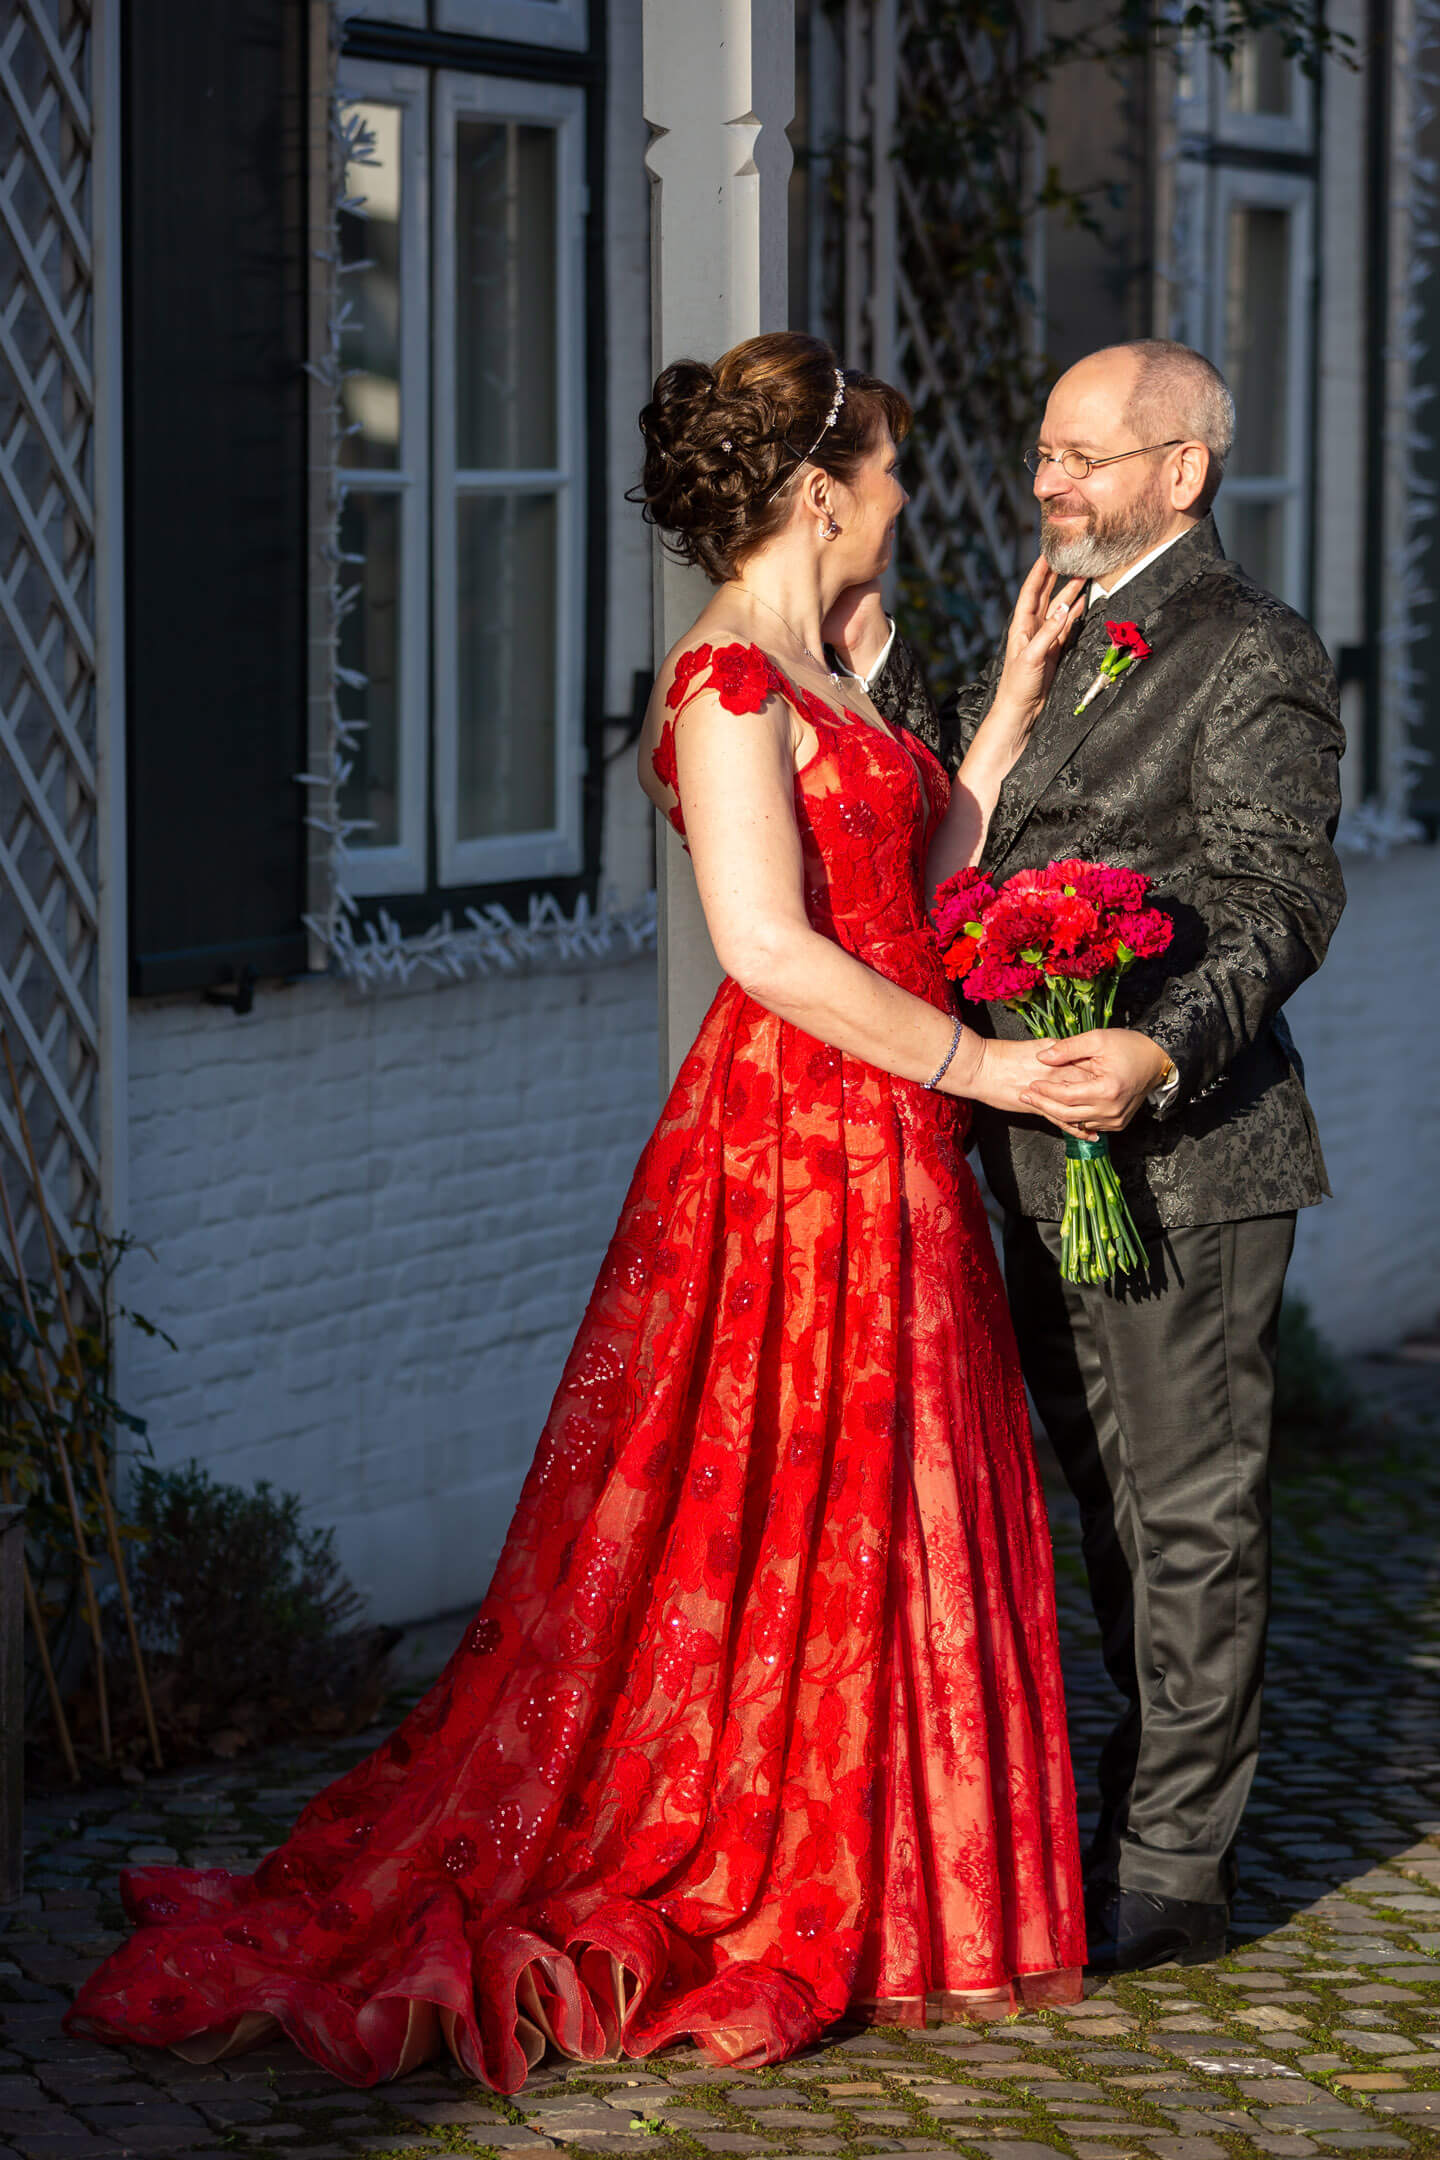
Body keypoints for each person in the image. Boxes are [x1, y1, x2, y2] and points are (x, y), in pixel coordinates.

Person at [65, 333, 1089, 2092]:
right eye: (895, 469)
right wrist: (990, 1076)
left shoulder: (826, 672)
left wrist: (989, 714)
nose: (914, 498)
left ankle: (902, 1885)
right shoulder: (724, 687)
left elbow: (916, 895)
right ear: (822, 492)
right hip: (800, 1138)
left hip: (895, 1128)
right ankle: (747, 1858)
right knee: (771, 1501)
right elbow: (768, 952)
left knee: (884, 1489)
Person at [850, 339, 1345, 1975]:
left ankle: (1172, 1872)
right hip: (1024, 1148)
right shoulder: (1052, 618)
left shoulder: (1252, 648)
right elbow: (976, 809)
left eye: (1082, 456)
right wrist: (875, 668)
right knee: (1102, 1499)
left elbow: (1282, 896)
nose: (1046, 481)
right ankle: (1136, 1794)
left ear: (1181, 472)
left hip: (1188, 1152)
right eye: (1045, 452)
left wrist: (1155, 1049)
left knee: (1191, 1507)